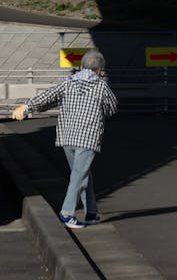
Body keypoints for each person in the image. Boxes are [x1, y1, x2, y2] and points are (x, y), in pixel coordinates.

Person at [11, 49, 118, 229]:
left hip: (66, 136)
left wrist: (27, 107)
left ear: (81, 66)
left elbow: (48, 96)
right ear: (100, 70)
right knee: (79, 175)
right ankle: (67, 213)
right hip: (87, 137)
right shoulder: (101, 86)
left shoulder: (68, 83)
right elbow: (112, 108)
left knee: (81, 173)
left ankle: (91, 212)